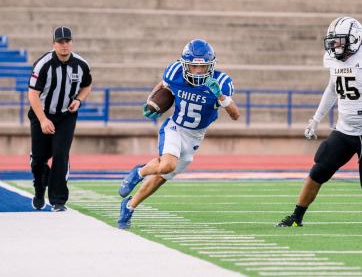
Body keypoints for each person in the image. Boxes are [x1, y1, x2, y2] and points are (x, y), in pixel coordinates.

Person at [276, 17, 362, 227]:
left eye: (340, 41)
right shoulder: (335, 61)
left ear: (354, 40)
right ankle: (296, 215)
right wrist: (316, 119)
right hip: (345, 129)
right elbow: (331, 89)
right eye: (333, 41)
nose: (335, 45)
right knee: (320, 168)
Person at [117, 39, 240, 229]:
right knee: (167, 165)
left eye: (203, 66)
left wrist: (221, 97)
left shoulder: (221, 82)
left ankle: (129, 206)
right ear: (185, 64)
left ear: (211, 65)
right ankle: (138, 172)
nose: (198, 71)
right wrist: (151, 102)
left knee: (161, 177)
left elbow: (235, 115)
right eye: (193, 66)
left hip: (195, 136)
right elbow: (163, 85)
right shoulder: (175, 72)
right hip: (174, 127)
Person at [28, 26, 92, 212]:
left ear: (71, 42)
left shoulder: (81, 64)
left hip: (65, 116)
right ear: (53, 44)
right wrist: (43, 120)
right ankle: (39, 191)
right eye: (60, 42)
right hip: (42, 113)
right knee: (39, 159)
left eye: (67, 41)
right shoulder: (43, 64)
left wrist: (79, 100)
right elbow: (33, 95)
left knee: (60, 155)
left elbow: (87, 85)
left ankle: (58, 200)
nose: (64, 45)